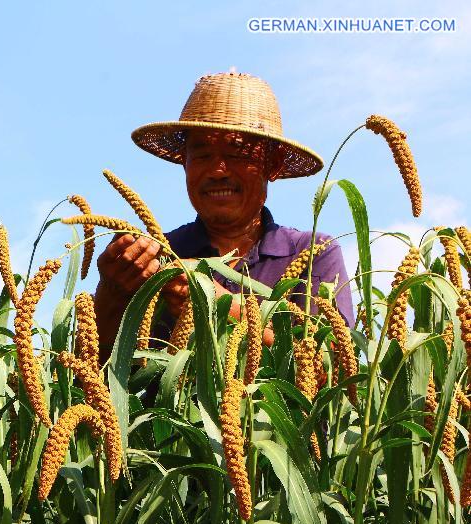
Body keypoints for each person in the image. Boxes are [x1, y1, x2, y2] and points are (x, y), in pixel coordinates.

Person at [93, 71, 354, 374]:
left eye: (236, 153)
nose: (218, 170)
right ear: (184, 163)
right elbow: (94, 373)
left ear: (273, 164)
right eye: (202, 155)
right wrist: (112, 291)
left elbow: (333, 371)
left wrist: (213, 303)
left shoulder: (312, 252)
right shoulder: (156, 255)